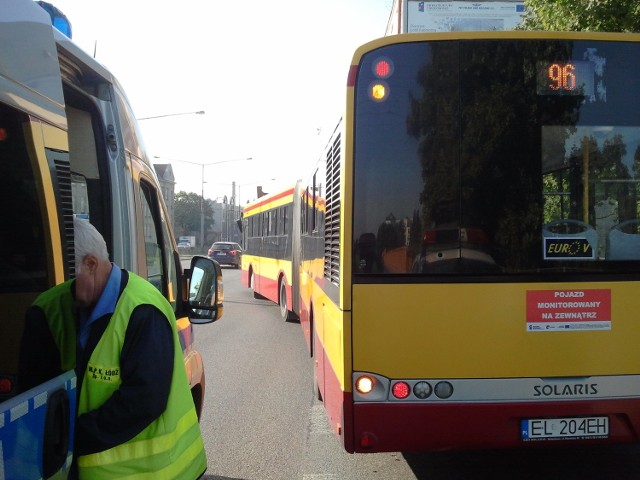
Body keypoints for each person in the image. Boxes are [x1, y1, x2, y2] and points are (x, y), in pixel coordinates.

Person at [20, 217, 207, 479]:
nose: (68, 288)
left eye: (74, 277)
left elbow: (144, 400)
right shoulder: (50, 308)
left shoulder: (142, 310)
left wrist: (69, 437)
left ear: (92, 264)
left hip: (152, 473)